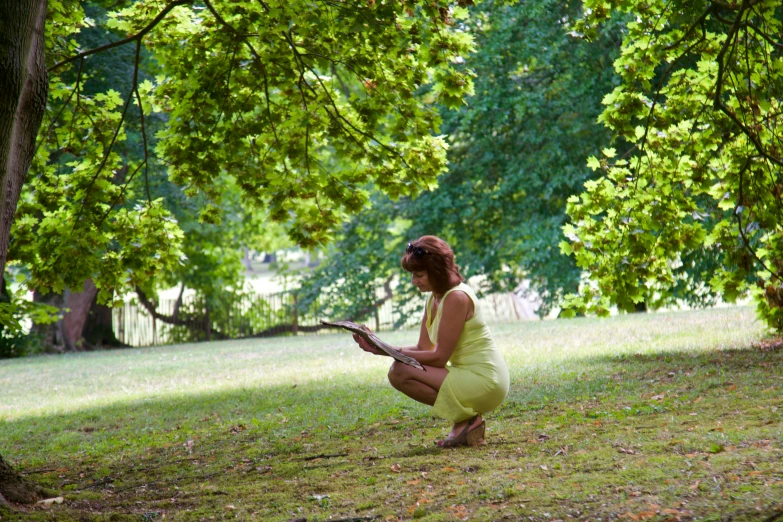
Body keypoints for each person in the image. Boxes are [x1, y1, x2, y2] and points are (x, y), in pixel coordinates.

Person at [352, 236, 510, 447]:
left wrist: (385, 350)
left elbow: (438, 357)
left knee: (400, 371)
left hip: (486, 380)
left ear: (436, 271)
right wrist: (378, 345)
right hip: (466, 374)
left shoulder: (456, 297)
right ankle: (466, 421)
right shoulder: (434, 297)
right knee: (398, 371)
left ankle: (467, 420)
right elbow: (422, 348)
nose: (414, 281)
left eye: (419, 275)